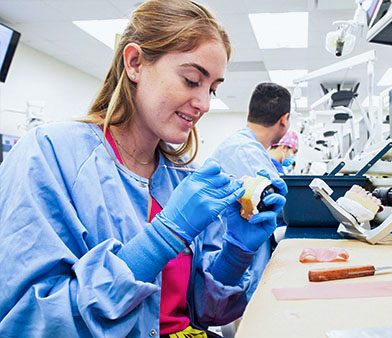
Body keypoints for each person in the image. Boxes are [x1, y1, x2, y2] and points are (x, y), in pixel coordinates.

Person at [0, 1, 287, 337]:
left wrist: (237, 251)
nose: (205, 104)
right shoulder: (49, 155)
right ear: (135, 63)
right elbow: (29, 322)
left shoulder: (182, 177)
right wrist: (161, 239)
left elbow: (203, 313)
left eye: (212, 89)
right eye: (191, 80)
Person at [210, 82, 291, 299]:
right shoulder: (245, 152)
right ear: (284, 119)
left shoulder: (247, 147)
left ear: (249, 113)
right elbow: (277, 206)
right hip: (235, 265)